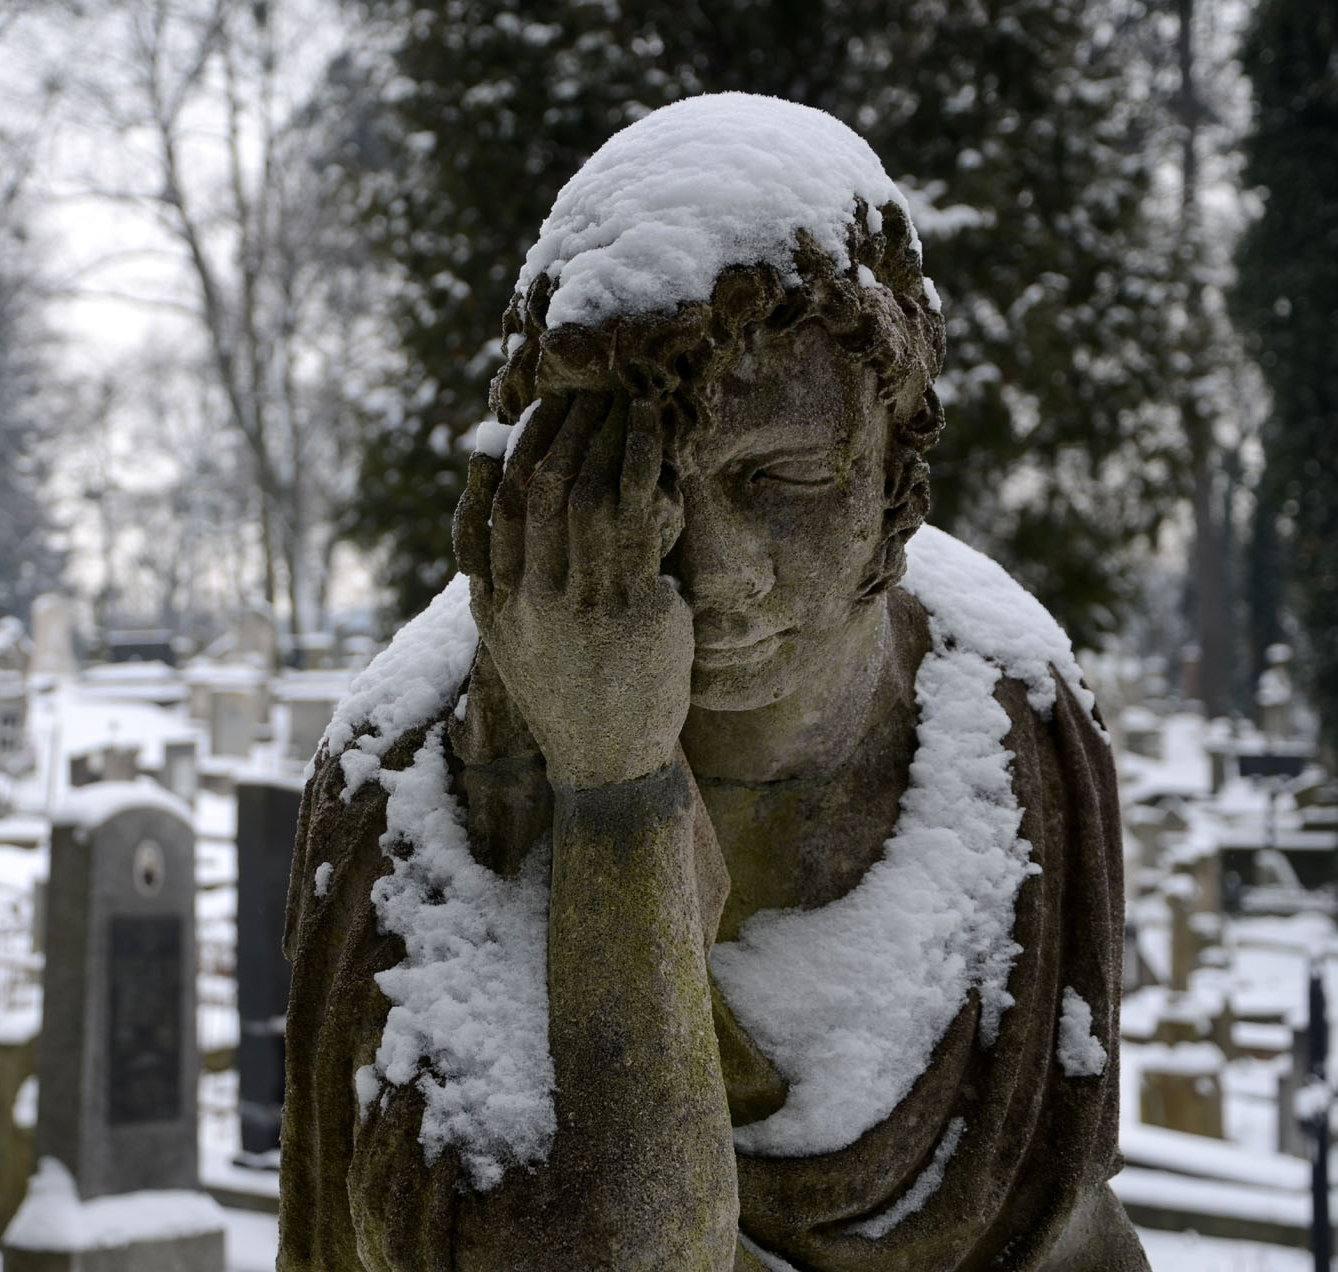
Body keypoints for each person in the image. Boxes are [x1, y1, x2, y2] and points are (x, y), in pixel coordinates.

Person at [278, 94, 1146, 1271]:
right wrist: (614, 784)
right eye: (652, 490)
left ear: (896, 467)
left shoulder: (1016, 715)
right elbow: (613, 1246)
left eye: (781, 478)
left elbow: (1073, 1227)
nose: (717, 570)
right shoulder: (419, 770)